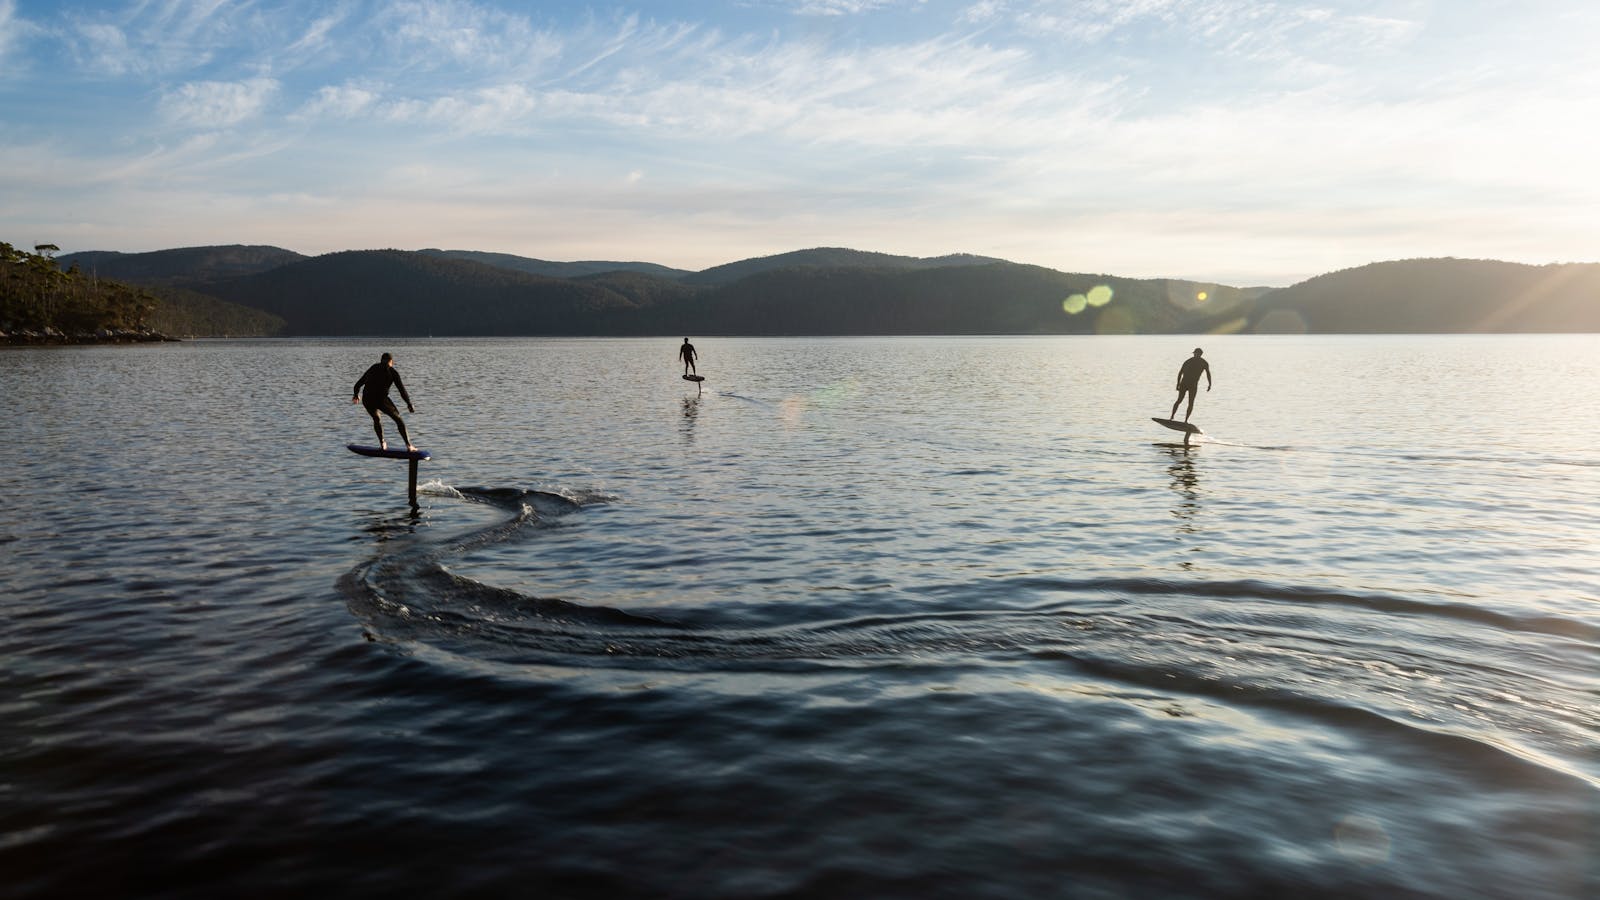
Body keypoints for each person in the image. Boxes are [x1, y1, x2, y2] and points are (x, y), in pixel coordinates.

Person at [352, 352, 416, 451]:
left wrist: (356, 394)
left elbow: (358, 384)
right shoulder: (392, 372)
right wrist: (409, 403)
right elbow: (401, 390)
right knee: (399, 420)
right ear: (391, 362)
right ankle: (408, 445)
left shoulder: (373, 368)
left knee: (376, 418)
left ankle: (382, 443)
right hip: (380, 399)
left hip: (368, 399)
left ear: (381, 360)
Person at [1170, 347, 1212, 422]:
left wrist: (1210, 384)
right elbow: (1180, 372)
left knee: (1191, 402)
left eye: (1197, 354)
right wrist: (1178, 384)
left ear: (1200, 354)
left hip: (1193, 385)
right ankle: (1172, 416)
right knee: (1179, 400)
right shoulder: (1188, 361)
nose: (1195, 355)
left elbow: (1208, 373)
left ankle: (1186, 420)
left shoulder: (1204, 363)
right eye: (1194, 353)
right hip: (1184, 384)